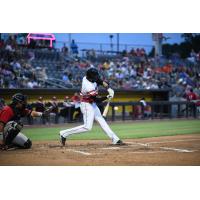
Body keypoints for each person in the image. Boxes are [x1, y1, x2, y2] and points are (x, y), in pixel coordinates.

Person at [59, 68, 123, 146]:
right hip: (86, 105)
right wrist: (108, 96)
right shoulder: (88, 86)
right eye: (95, 77)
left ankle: (115, 139)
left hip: (92, 103)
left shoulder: (89, 78)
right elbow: (97, 100)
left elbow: (100, 81)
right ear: (91, 77)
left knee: (101, 120)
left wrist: (108, 88)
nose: (96, 78)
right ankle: (64, 133)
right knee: (87, 127)